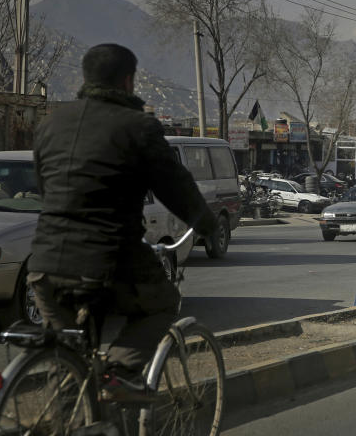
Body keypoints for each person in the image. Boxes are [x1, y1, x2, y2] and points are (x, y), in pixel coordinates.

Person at [27, 44, 217, 403]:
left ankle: (63, 420)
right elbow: (176, 188)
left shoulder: (51, 123)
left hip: (45, 263)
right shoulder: (138, 126)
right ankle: (118, 372)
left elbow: (44, 186)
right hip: (107, 258)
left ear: (86, 78)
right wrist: (207, 225)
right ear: (129, 81)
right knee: (162, 303)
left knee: (67, 358)